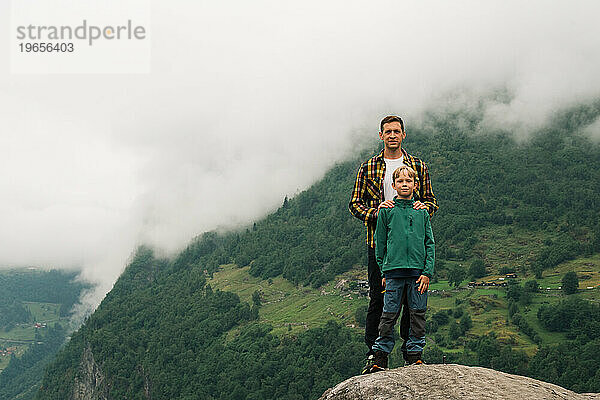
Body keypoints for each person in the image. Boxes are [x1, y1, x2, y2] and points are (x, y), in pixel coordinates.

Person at [349, 115, 438, 374]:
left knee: (413, 303)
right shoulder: (368, 167)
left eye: (396, 131)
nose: (392, 135)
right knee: (379, 300)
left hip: (413, 248)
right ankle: (376, 356)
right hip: (380, 245)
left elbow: (432, 201)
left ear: (404, 134)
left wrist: (424, 207)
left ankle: (411, 355)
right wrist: (376, 212)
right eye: (387, 131)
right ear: (381, 135)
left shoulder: (418, 167)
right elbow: (355, 204)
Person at [369, 165, 435, 371]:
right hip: (393, 273)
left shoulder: (422, 212)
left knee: (417, 314)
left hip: (418, 275)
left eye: (409, 181)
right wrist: (383, 271)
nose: (404, 184)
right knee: (388, 314)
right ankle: (380, 358)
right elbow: (379, 244)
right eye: (400, 181)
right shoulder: (386, 211)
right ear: (393, 185)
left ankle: (414, 355)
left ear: (415, 185)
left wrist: (427, 272)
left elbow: (429, 243)